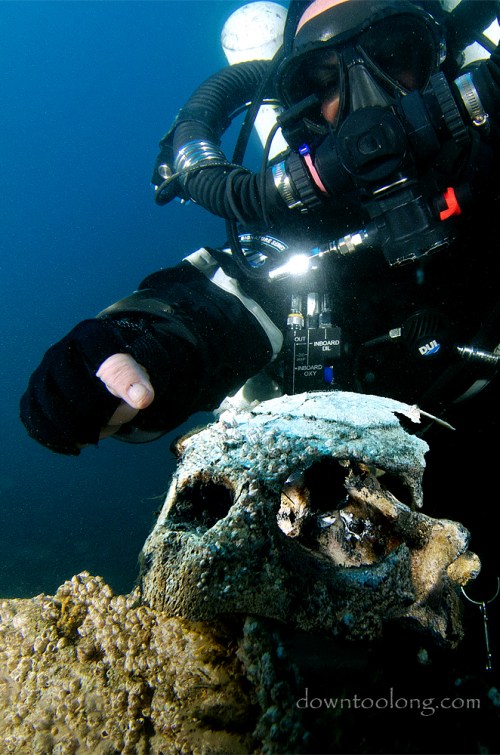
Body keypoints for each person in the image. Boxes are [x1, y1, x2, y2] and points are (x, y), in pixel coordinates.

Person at [20, 0, 500, 558]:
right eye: (323, 79)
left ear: (442, 57)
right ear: (296, 109)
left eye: (394, 53)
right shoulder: (297, 240)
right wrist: (134, 346)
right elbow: (222, 308)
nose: (366, 99)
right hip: (390, 550)